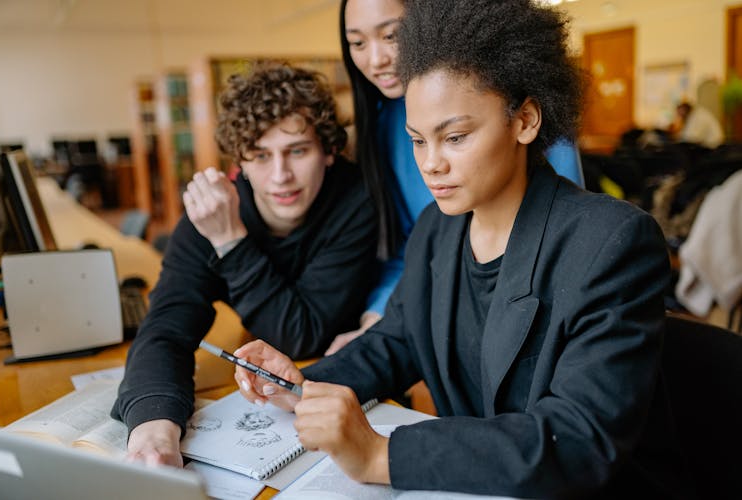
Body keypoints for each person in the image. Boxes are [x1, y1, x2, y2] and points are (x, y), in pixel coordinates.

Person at [234, 0, 685, 497]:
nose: (431, 164)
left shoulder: (611, 242)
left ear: (526, 120)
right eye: (417, 141)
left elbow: (577, 440)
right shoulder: (437, 229)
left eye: (454, 137)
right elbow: (400, 340)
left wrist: (381, 454)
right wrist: (303, 385)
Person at [111, 63, 377, 466]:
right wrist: (155, 428)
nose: (280, 176)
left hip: (348, 388)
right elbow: (166, 329)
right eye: (260, 155)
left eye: (298, 151)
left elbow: (301, 336)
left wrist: (231, 242)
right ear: (240, 160)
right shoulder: (213, 211)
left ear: (328, 152)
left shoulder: (355, 199)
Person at [326, 0, 586, 354]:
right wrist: (379, 315)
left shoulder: (521, 115)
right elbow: (410, 247)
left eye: (392, 35)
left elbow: (567, 231)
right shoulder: (384, 121)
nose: (376, 59)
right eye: (357, 43)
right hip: (443, 311)